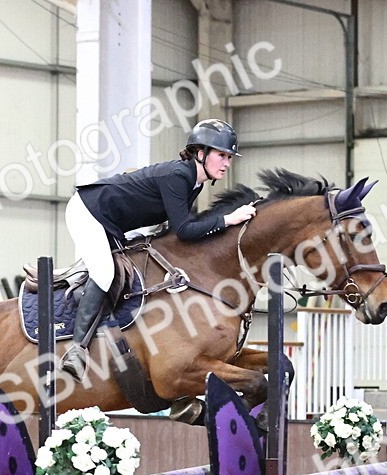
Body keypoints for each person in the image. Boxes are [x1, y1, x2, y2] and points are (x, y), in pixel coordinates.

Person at [60, 118, 257, 379]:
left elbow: (176, 231)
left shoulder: (194, 183)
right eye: (221, 155)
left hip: (114, 223)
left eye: (229, 157)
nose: (227, 163)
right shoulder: (178, 177)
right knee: (105, 273)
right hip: (88, 212)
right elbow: (184, 231)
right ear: (201, 153)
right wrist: (228, 219)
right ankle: (76, 349)